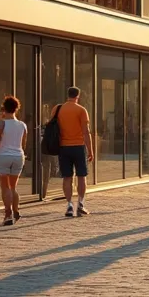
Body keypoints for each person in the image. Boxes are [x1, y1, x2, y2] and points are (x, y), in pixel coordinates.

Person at [53, 86, 94, 217]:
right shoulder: (81, 110)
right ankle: (81, 203)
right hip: (78, 146)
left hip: (63, 147)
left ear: (67, 95)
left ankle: (69, 204)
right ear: (78, 96)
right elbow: (86, 132)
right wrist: (90, 150)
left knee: (67, 177)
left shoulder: (57, 109)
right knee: (81, 176)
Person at [0, 95, 27, 226]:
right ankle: (16, 210)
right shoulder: (22, 125)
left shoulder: (1, 123)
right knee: (13, 187)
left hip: (4, 155)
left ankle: (8, 214)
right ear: (17, 109)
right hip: (18, 156)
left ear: (4, 108)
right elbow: (23, 144)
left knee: (5, 187)